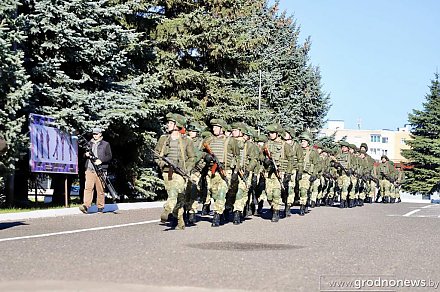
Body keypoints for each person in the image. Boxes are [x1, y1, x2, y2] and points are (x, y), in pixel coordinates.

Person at [155, 113, 195, 230]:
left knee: (175, 193)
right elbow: (157, 155)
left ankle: (167, 209)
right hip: (167, 172)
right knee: (178, 197)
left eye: (171, 123)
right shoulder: (163, 139)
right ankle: (180, 221)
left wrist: (185, 169)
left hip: (180, 173)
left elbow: (192, 158)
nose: (168, 125)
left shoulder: (186, 140)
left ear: (177, 125)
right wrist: (162, 164)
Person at [79, 128, 112, 214]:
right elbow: (83, 156)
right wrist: (85, 155)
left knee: (100, 189)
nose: (95, 135)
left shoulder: (105, 144)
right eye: (94, 134)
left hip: (101, 170)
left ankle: (100, 207)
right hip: (90, 169)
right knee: (88, 188)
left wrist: (101, 160)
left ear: (100, 134)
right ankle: (86, 205)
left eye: (96, 134)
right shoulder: (89, 143)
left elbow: (109, 156)